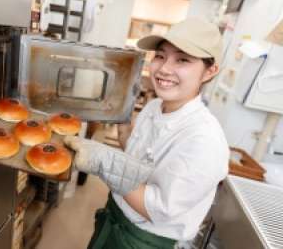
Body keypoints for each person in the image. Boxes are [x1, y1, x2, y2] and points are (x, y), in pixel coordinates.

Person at [63, 18, 229, 249]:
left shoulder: (204, 139)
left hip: (146, 241)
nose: (164, 69)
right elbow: (138, 156)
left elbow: (158, 209)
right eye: (160, 56)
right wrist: (121, 122)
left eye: (182, 59)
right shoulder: (154, 107)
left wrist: (104, 162)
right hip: (115, 217)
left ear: (210, 71)